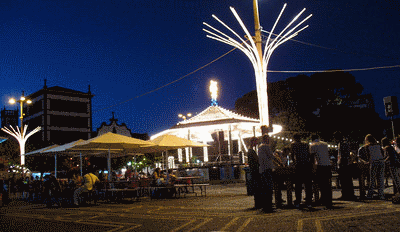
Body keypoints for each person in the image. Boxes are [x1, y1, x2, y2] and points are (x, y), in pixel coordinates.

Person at [290, 133, 313, 208]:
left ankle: (298, 201)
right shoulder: (306, 144)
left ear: (294, 138)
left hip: (299, 165)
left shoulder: (293, 144)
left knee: (298, 184)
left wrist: (294, 162)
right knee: (308, 184)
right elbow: (310, 154)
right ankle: (309, 201)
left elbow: (292, 155)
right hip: (306, 165)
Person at [310, 134, 333, 208]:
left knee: (321, 184)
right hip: (327, 165)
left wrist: (313, 168)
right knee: (328, 183)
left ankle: (323, 199)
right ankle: (329, 199)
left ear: (312, 139)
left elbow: (312, 157)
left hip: (320, 166)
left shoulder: (312, 145)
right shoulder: (325, 144)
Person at [361, 134, 385, 200]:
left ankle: (370, 194)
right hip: (381, 161)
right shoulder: (378, 145)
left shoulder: (367, 146)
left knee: (372, 179)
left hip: (374, 162)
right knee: (380, 178)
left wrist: (368, 162)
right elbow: (382, 153)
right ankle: (381, 194)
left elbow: (368, 156)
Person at [258, 134, 275, 212]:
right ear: (266, 139)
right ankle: (268, 206)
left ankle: (265, 205)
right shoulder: (266, 146)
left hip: (262, 170)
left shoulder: (260, 147)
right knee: (269, 188)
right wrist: (280, 163)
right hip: (267, 169)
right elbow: (271, 156)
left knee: (264, 188)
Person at [247, 137, 261, 208]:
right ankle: (258, 204)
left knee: (256, 187)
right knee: (257, 187)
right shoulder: (251, 151)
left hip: (253, 170)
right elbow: (256, 160)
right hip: (255, 171)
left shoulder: (250, 150)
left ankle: (258, 203)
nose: (257, 143)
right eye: (256, 142)